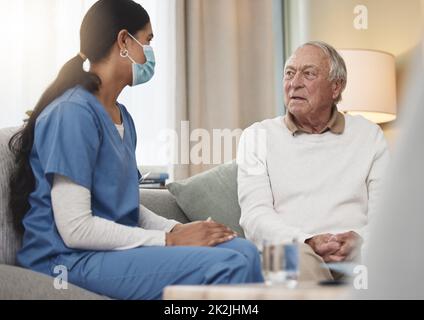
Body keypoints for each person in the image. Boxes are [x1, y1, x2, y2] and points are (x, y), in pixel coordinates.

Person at [8, 0, 263, 300]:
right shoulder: (72, 114)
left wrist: (178, 229)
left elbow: (124, 206)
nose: (150, 52)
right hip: (66, 260)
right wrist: (168, 240)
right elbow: (75, 228)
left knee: (244, 251)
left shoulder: (122, 117)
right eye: (148, 40)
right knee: (228, 264)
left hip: (104, 252)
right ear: (124, 41)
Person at [237, 41, 389, 281]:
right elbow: (254, 216)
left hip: (356, 253)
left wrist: (360, 240)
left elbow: (387, 212)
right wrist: (305, 242)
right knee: (290, 261)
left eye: (308, 74)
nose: (294, 83)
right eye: (289, 73)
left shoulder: (369, 135)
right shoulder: (256, 136)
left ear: (336, 87)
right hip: (286, 250)